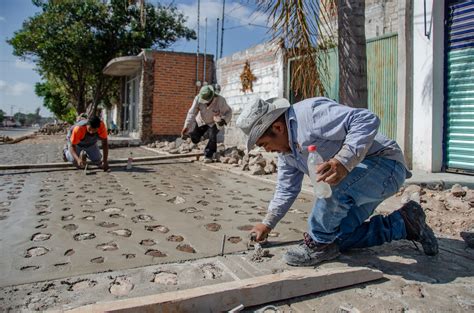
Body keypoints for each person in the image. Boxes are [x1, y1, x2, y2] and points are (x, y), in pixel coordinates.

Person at [236, 97, 438, 267]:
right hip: (358, 182)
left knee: (329, 188)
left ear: (278, 127)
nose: (267, 151)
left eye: (264, 144)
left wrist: (343, 161)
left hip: (385, 166)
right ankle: (405, 223)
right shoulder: (287, 154)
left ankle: (318, 244)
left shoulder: (309, 114)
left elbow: (366, 119)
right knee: (337, 238)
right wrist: (267, 224)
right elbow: (286, 189)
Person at [181, 85, 232, 163]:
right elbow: (191, 113)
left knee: (212, 136)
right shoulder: (197, 99)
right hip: (201, 120)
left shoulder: (220, 100)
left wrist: (223, 120)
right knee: (195, 139)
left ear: (212, 96)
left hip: (214, 122)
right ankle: (202, 137)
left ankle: (209, 155)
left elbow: (229, 111)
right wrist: (186, 127)